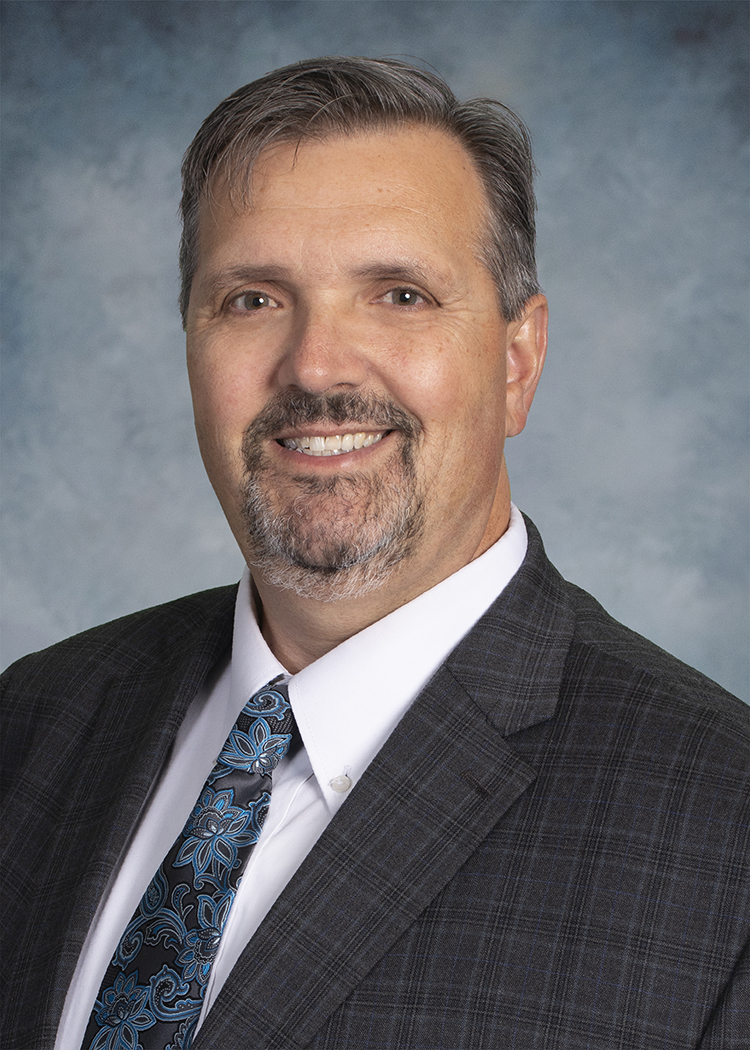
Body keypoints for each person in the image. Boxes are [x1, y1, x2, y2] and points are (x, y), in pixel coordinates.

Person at [1, 56, 747, 1050]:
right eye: (253, 299)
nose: (315, 366)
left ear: (518, 362)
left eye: (400, 295)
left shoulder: (723, 828)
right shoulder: (36, 720)